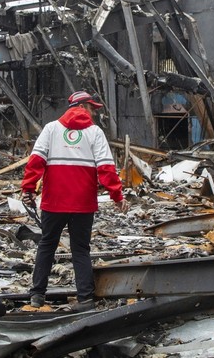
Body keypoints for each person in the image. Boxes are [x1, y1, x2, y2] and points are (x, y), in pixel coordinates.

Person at [21, 90, 128, 311]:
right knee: (80, 250)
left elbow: (35, 162)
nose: (94, 114)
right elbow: (106, 169)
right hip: (83, 204)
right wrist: (117, 196)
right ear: (83, 106)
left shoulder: (51, 129)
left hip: (54, 202)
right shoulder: (95, 133)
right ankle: (85, 299)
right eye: (92, 108)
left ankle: (37, 297)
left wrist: (28, 189)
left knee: (47, 246)